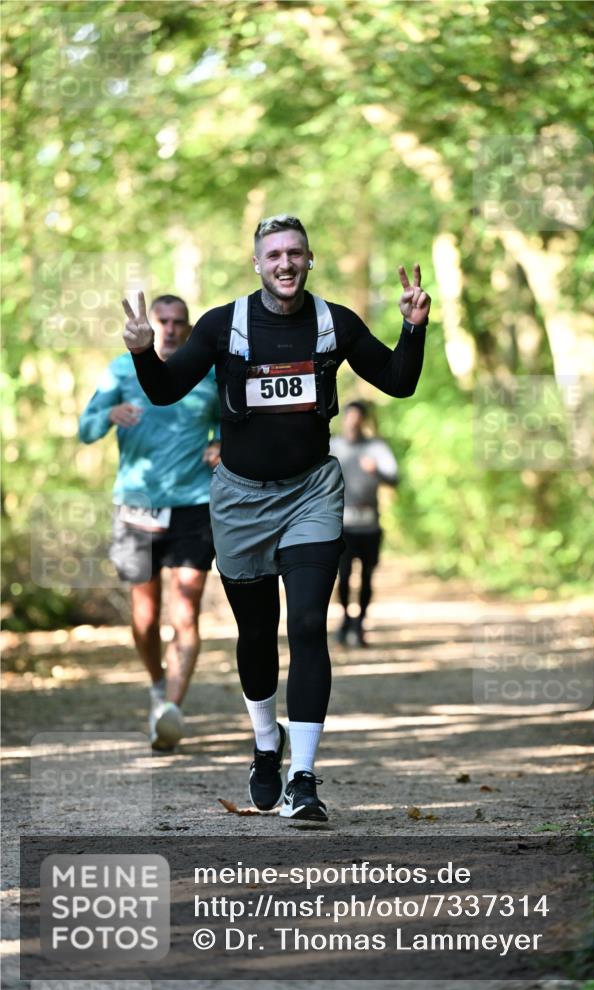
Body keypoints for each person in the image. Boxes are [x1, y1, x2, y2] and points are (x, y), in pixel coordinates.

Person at [121, 215, 430, 820]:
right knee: (257, 634)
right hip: (239, 500)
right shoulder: (223, 325)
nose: (285, 263)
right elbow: (164, 390)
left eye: (295, 253)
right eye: (274, 255)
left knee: (309, 624)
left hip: (313, 492)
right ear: (258, 264)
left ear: (309, 259)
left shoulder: (335, 323)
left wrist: (413, 328)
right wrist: (141, 353)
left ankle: (304, 778)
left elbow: (398, 381)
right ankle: (267, 743)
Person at [79, 294, 220, 752]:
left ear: (189, 328)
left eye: (179, 322)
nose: (171, 329)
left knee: (186, 610)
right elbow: (85, 429)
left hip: (194, 503)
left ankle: (171, 711)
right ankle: (158, 687)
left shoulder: (206, 372)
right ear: (151, 324)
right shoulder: (122, 370)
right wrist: (108, 414)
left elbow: (234, 420)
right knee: (144, 617)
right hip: (137, 504)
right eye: (163, 321)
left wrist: (222, 443)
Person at [330, 400, 398, 647]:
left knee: (367, 577)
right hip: (343, 525)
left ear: (364, 420)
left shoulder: (376, 448)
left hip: (370, 525)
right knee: (344, 575)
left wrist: (375, 471)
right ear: (345, 418)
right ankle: (346, 620)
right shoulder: (333, 446)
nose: (354, 422)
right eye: (350, 416)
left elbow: (394, 478)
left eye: (358, 417)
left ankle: (360, 623)